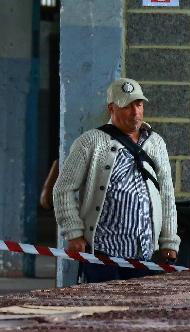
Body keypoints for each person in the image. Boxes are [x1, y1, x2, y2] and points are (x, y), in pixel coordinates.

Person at [53, 78, 179, 282]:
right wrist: (74, 232)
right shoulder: (90, 142)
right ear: (111, 108)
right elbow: (63, 189)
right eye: (127, 106)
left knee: (140, 312)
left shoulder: (156, 143)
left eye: (138, 105)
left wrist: (169, 242)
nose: (135, 112)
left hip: (145, 254)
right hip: (103, 253)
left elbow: (166, 194)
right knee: (103, 309)